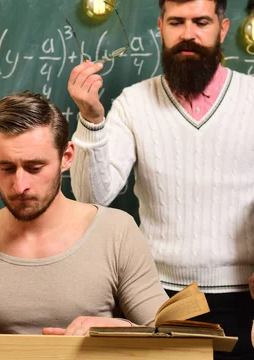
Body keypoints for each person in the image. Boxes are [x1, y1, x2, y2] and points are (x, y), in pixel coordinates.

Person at [68, 0, 254, 358]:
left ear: (223, 28)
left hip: (245, 299)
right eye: (176, 22)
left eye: (201, 22)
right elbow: (93, 197)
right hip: (154, 297)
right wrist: (91, 118)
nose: (188, 34)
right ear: (160, 27)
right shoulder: (132, 103)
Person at [0, 91, 169, 335]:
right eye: (6, 168)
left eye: (35, 167)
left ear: (67, 157)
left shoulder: (116, 232)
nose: (20, 185)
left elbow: (172, 339)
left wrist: (124, 331)